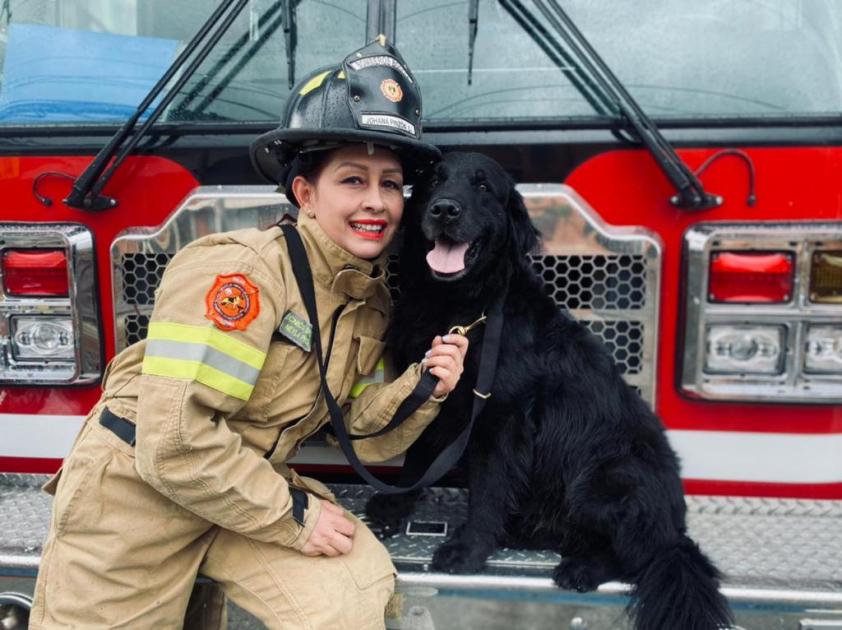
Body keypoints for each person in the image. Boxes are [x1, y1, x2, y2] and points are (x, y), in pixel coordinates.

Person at [30, 38, 467, 629]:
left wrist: (425, 388)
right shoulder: (241, 275)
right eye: (353, 180)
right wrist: (298, 517)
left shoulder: (365, 300)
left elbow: (356, 435)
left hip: (243, 491)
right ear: (304, 194)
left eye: (390, 184)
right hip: (137, 498)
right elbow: (177, 444)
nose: (377, 203)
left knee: (351, 591)